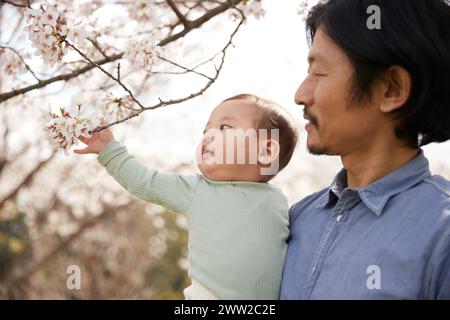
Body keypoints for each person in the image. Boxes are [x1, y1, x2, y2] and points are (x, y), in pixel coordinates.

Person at [281, 0, 450, 299]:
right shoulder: (297, 219)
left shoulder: (442, 233)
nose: (300, 95)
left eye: (319, 74)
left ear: (391, 89)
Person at [75, 93, 298, 299]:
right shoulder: (196, 189)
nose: (209, 136)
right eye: (206, 130)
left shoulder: (279, 202)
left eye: (224, 128)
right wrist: (108, 149)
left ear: (267, 152)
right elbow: (144, 181)